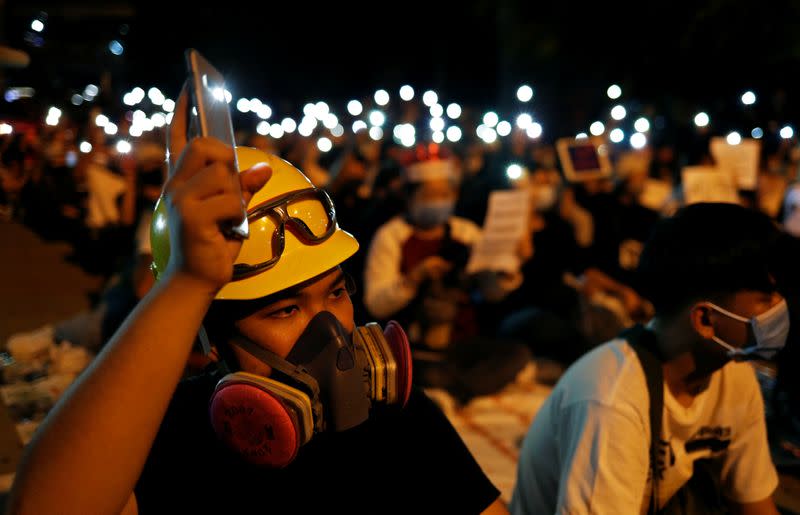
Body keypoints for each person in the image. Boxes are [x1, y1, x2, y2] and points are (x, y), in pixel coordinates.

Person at [7, 84, 507, 514]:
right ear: (210, 335)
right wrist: (186, 284)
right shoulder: (168, 437)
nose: (331, 331)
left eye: (335, 292)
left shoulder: (398, 418)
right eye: (285, 309)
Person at [511, 202, 786, 514]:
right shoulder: (611, 401)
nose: (780, 309)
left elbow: (754, 504)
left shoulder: (733, 375)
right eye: (766, 299)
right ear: (706, 320)